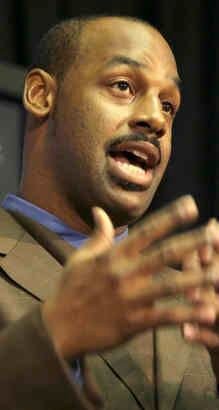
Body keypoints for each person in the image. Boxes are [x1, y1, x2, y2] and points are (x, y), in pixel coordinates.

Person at [1, 14, 219, 410]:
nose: (156, 119)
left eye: (169, 105)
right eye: (123, 86)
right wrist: (56, 334)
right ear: (40, 94)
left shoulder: (191, 300)